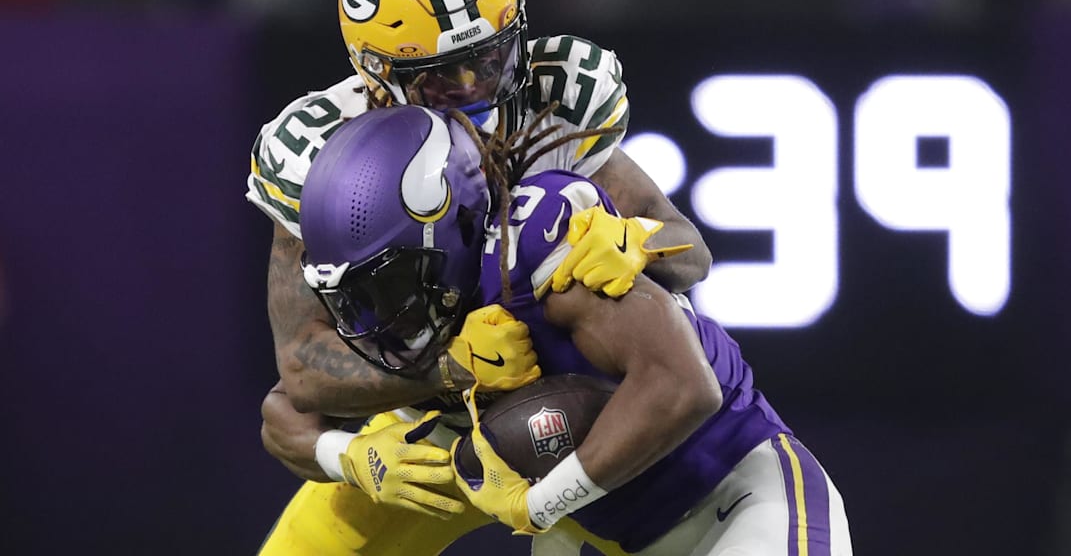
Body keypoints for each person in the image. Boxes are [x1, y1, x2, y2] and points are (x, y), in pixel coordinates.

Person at [250, 0, 711, 553]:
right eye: (443, 76)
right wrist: (443, 375)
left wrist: (638, 243)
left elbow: (690, 250)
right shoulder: (331, 160)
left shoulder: (552, 101)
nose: (473, 89)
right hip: (433, 423)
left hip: (581, 401)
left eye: (490, 60)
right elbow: (302, 371)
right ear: (376, 74)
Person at [297, 104, 854, 554]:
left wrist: (539, 506)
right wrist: (348, 456)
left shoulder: (541, 246)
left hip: (738, 496)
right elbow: (288, 406)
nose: (379, 314)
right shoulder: (435, 315)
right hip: (622, 534)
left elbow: (685, 386)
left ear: (448, 229)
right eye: (358, 295)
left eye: (390, 284)